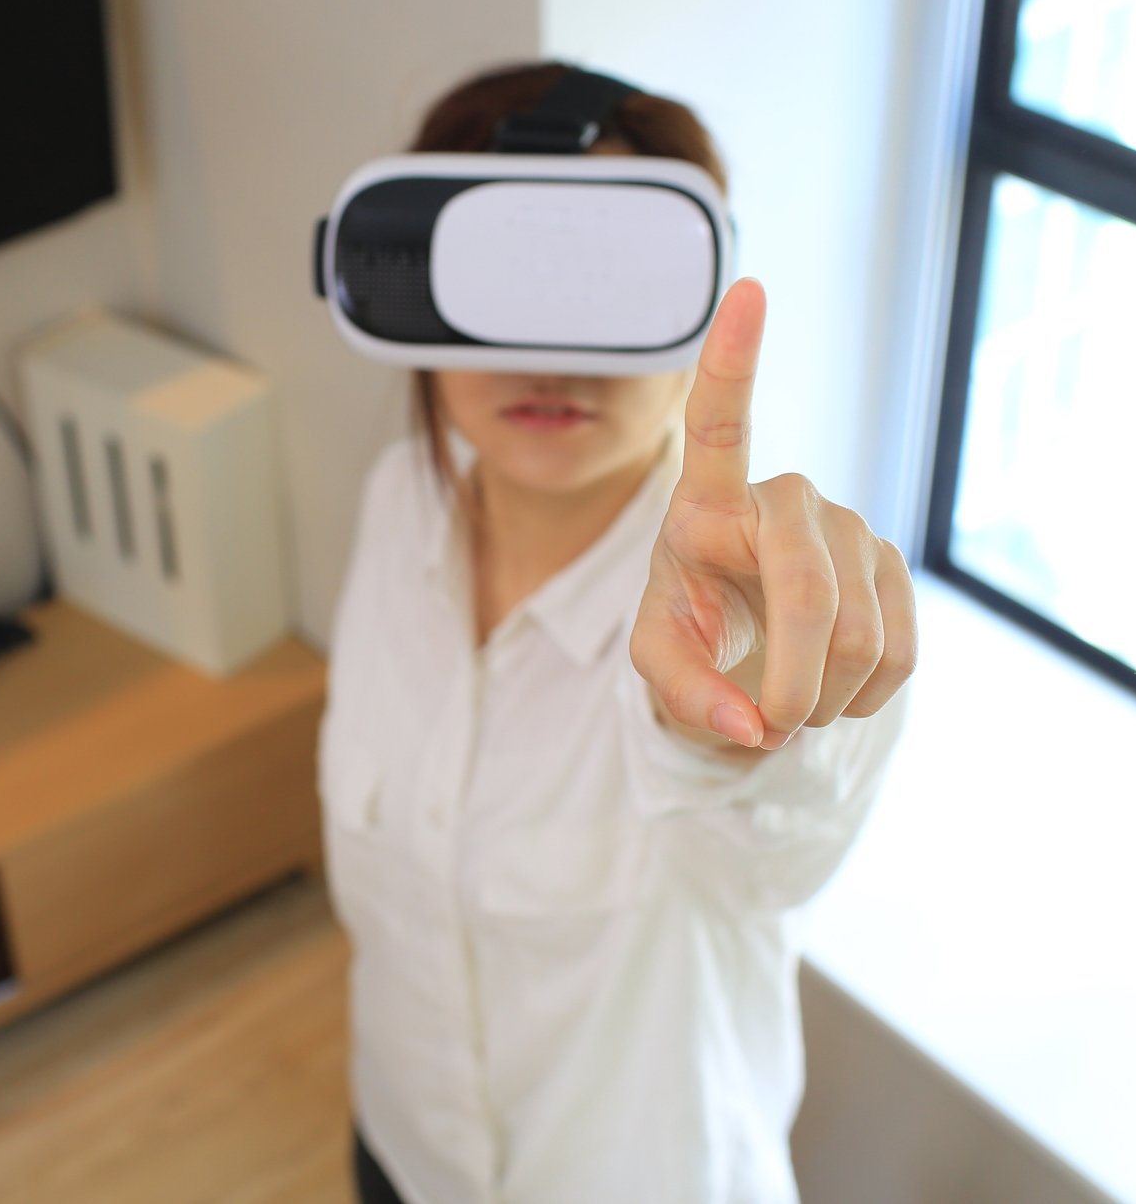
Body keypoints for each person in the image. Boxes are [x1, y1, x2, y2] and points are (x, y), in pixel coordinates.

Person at [320, 62, 918, 1204]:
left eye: (606, 285)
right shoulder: (397, 502)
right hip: (407, 1155)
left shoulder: (725, 619)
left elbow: (767, 834)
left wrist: (745, 706)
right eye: (506, 278)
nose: (550, 357)